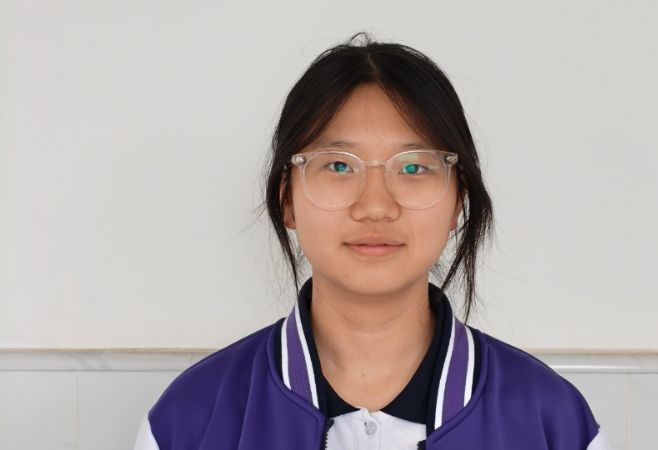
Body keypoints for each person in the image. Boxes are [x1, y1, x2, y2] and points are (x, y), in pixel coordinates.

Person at [133, 32, 611, 450]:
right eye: (339, 165)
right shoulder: (190, 419)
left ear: (457, 202)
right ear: (288, 200)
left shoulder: (552, 422)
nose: (376, 205)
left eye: (414, 166)